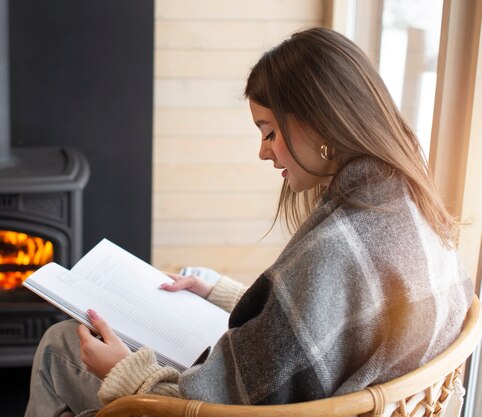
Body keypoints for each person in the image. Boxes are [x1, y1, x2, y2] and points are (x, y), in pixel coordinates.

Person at [24, 27, 474, 417]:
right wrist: (216, 294)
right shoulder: (409, 204)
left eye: (269, 132)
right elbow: (325, 329)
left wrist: (125, 372)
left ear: (319, 121)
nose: (263, 151)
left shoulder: (337, 250)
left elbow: (215, 409)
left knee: (61, 345)